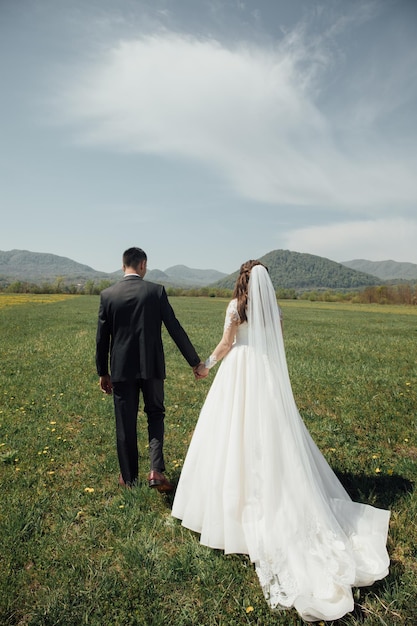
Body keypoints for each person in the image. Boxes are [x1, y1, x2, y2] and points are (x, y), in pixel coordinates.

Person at [172, 260, 390, 623]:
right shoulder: (274, 309)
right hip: (265, 374)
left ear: (241, 280)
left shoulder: (234, 307)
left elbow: (227, 343)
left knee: (231, 434)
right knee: (274, 437)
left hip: (239, 372)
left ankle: (231, 505)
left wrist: (206, 365)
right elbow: (276, 342)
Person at [96, 247, 207, 491]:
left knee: (125, 422)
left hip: (121, 369)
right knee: (155, 414)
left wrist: (103, 372)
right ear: (143, 265)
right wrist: (195, 361)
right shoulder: (156, 292)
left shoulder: (108, 295)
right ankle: (156, 470)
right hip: (152, 367)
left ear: (123, 264)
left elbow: (102, 338)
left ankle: (129, 478)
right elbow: (174, 328)